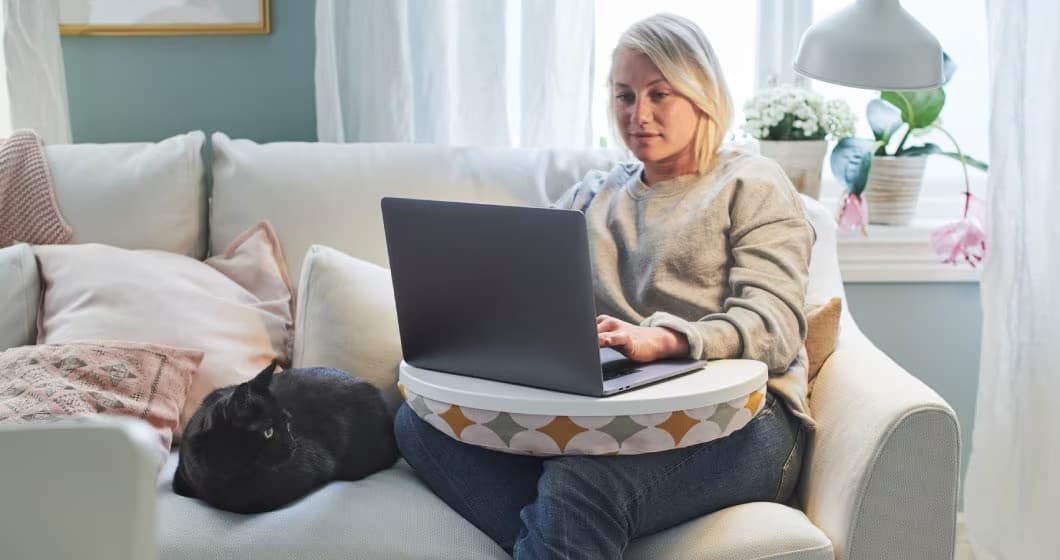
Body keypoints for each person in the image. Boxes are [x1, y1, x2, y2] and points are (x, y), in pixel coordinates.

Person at [395, 13, 816, 559]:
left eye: (659, 94)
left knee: (579, 486)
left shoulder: (751, 183)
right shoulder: (590, 196)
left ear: (702, 95)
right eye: (624, 96)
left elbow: (776, 326)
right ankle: (567, 531)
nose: (638, 115)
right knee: (416, 423)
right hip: (601, 421)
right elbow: (522, 291)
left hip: (739, 420)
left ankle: (570, 521)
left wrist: (667, 340)